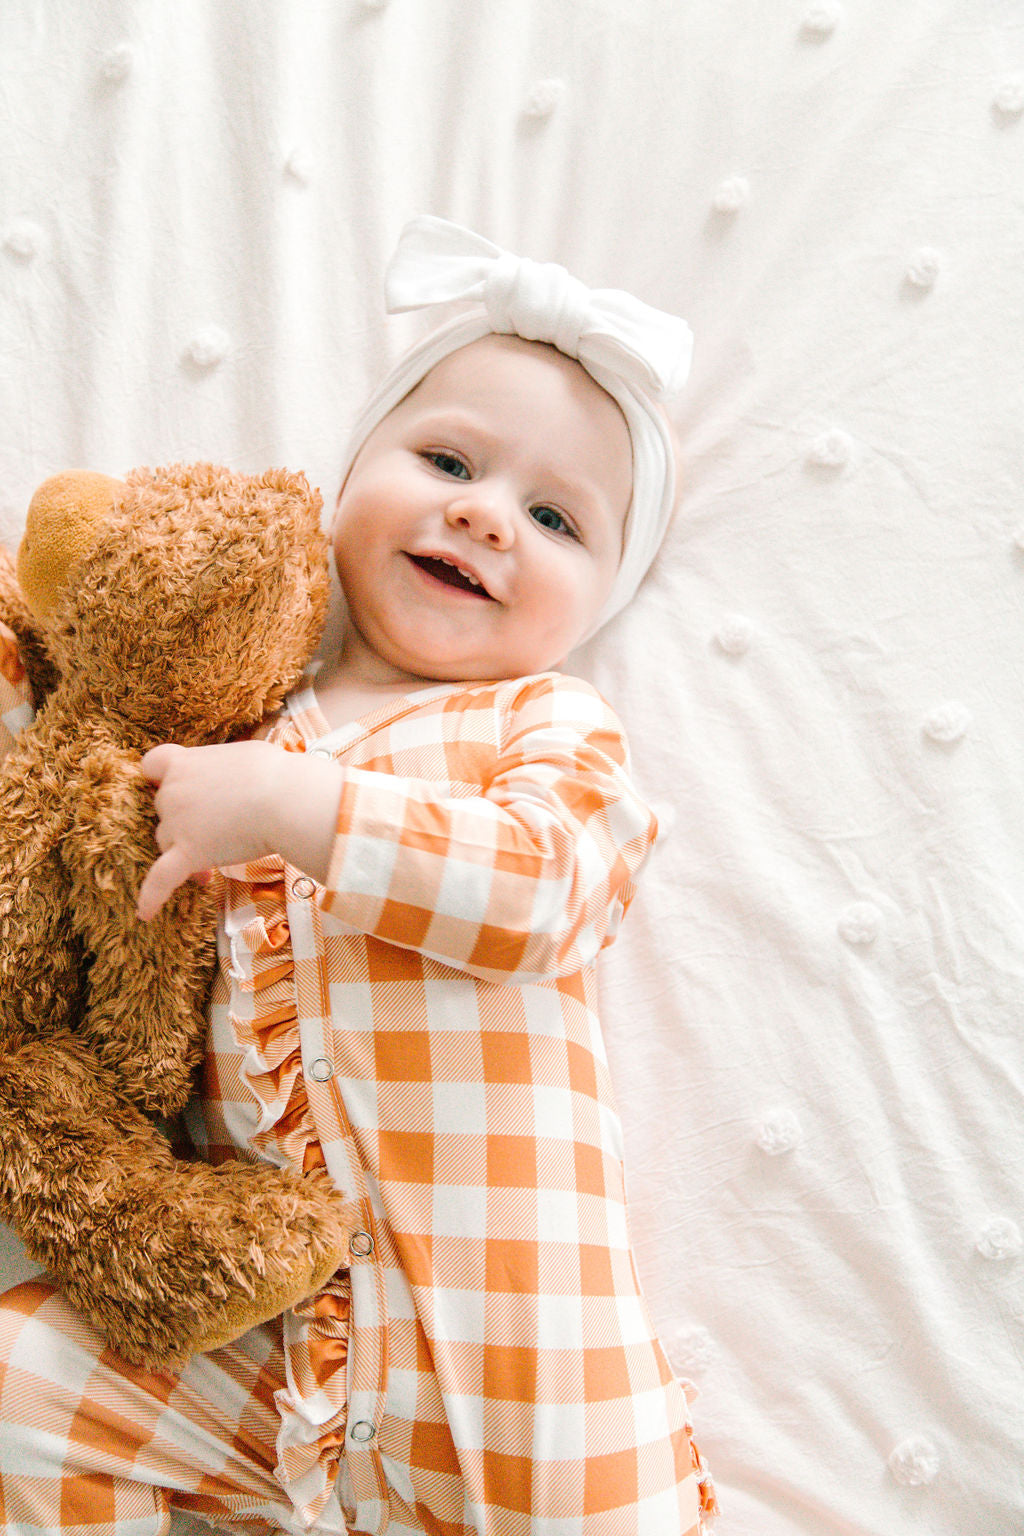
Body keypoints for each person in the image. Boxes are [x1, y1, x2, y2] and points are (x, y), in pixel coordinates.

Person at [0, 216, 717, 1536]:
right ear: (347, 482)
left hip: (517, 1365)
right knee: (21, 1383)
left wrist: (300, 809)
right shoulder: (246, 724)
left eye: (554, 519)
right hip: (280, 1352)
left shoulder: (542, 725)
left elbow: (545, 892)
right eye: (445, 457)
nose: (480, 513)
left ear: (603, 602)